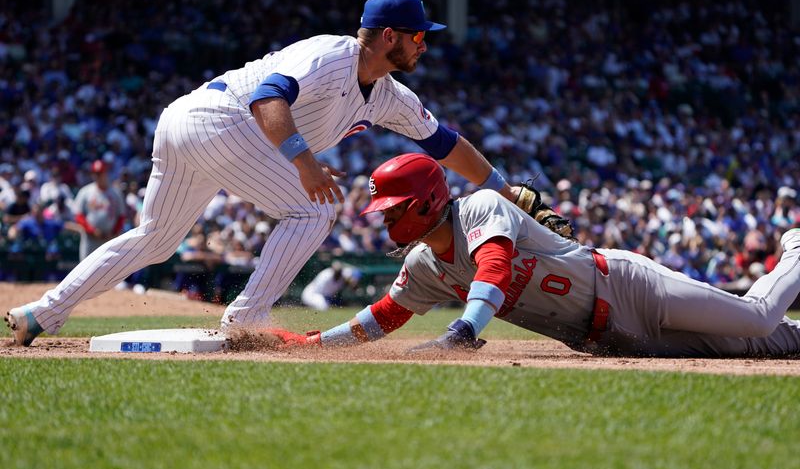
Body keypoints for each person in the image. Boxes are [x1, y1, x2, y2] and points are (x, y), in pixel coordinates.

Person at [4, 0, 561, 347]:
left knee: (153, 240)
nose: (424, 45)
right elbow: (270, 97)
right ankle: (244, 320)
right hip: (213, 121)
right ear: (389, 36)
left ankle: (40, 314)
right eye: (419, 36)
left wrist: (497, 187)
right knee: (315, 205)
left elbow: (445, 144)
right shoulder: (329, 54)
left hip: (187, 125)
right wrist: (304, 162)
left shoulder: (388, 95)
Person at [269, 153, 800, 358]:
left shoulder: (477, 207)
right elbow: (384, 315)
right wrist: (314, 341)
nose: (385, 218)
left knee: (756, 317)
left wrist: (463, 331)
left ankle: (795, 247)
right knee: (765, 348)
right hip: (605, 339)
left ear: (429, 199)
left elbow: (494, 266)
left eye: (394, 207)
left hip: (625, 286)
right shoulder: (424, 265)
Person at [71, 159, 126, 260]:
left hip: (110, 240)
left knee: (110, 272)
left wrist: (114, 232)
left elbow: (121, 216)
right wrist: (92, 230)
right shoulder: (85, 191)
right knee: (86, 271)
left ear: (106, 173)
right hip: (90, 240)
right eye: (96, 173)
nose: (98, 176)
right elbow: (78, 216)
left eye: (100, 173)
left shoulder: (115, 193)